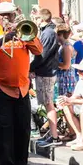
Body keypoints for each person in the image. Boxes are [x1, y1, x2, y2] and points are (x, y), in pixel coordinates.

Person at [0, 2, 43, 165]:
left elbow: (38, 51)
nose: (7, 18)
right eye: (3, 15)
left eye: (10, 15)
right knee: (2, 128)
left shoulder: (23, 30)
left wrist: (25, 35)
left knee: (22, 128)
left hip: (21, 87)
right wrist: (5, 38)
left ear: (16, 15)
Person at [32, 9, 61, 148]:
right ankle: (52, 135)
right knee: (47, 104)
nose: (35, 21)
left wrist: (30, 67)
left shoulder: (48, 33)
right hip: (45, 71)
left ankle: (54, 137)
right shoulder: (47, 32)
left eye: (36, 18)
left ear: (41, 19)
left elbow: (42, 55)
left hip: (46, 72)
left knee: (49, 104)